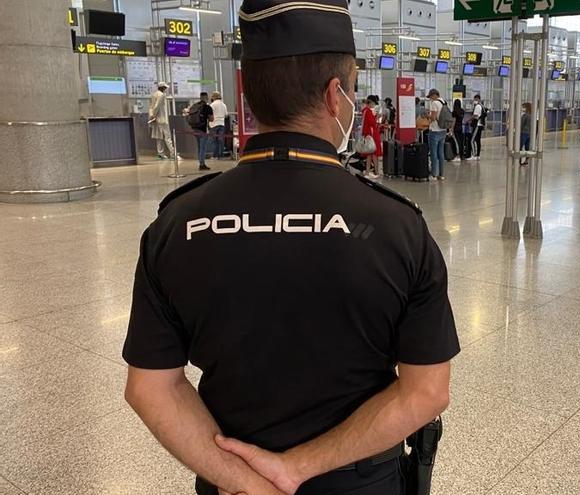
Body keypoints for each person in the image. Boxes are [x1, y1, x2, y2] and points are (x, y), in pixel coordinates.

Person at [122, 3, 459, 495]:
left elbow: (151, 388)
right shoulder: (396, 226)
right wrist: (296, 468)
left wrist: (250, 482)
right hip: (361, 482)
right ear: (334, 95)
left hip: (232, 482)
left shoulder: (176, 224)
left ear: (250, 95)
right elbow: (427, 390)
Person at [148, 82, 177, 160]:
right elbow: (157, 106)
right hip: (162, 119)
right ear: (162, 88)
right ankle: (173, 154)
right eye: (165, 88)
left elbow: (151, 107)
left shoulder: (154, 94)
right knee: (167, 137)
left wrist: (152, 117)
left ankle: (160, 153)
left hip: (156, 119)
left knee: (159, 137)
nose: (165, 89)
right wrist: (154, 115)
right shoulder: (161, 95)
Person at [188, 92, 214, 171]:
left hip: (195, 128)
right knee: (203, 147)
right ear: (206, 97)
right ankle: (202, 164)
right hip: (202, 129)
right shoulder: (207, 107)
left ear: (200, 97)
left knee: (199, 147)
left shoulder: (195, 106)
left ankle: (200, 162)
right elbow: (211, 119)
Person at [361, 95, 383, 178]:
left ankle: (367, 171)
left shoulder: (365, 111)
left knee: (369, 154)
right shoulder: (368, 112)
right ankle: (376, 172)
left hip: (368, 135)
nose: (374, 106)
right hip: (372, 135)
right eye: (374, 103)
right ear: (371, 103)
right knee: (374, 153)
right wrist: (377, 117)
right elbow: (372, 123)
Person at [426, 88, 446, 180]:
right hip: (443, 130)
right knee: (441, 153)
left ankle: (434, 174)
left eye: (430, 97)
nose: (430, 99)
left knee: (433, 153)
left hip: (434, 131)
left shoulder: (434, 103)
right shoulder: (444, 102)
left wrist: (427, 115)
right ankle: (441, 174)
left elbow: (433, 118)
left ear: (434, 95)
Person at [208, 91, 228, 160]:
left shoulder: (212, 105)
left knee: (214, 140)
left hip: (214, 124)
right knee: (221, 140)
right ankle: (221, 155)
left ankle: (215, 155)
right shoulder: (224, 105)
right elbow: (226, 115)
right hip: (222, 124)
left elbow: (209, 115)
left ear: (213, 97)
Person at [470, 94, 485, 160]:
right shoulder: (482, 106)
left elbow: (475, 115)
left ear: (478, 99)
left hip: (477, 125)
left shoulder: (478, 106)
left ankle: (474, 155)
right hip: (480, 124)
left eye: (475, 99)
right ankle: (478, 155)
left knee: (472, 140)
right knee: (478, 140)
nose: (474, 101)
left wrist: (468, 120)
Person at [519, 102, 533, 166]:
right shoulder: (532, 115)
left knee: (520, 147)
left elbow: (521, 125)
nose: (522, 108)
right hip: (530, 133)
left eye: (523, 107)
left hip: (524, 133)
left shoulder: (525, 115)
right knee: (527, 148)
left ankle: (519, 160)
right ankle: (526, 160)